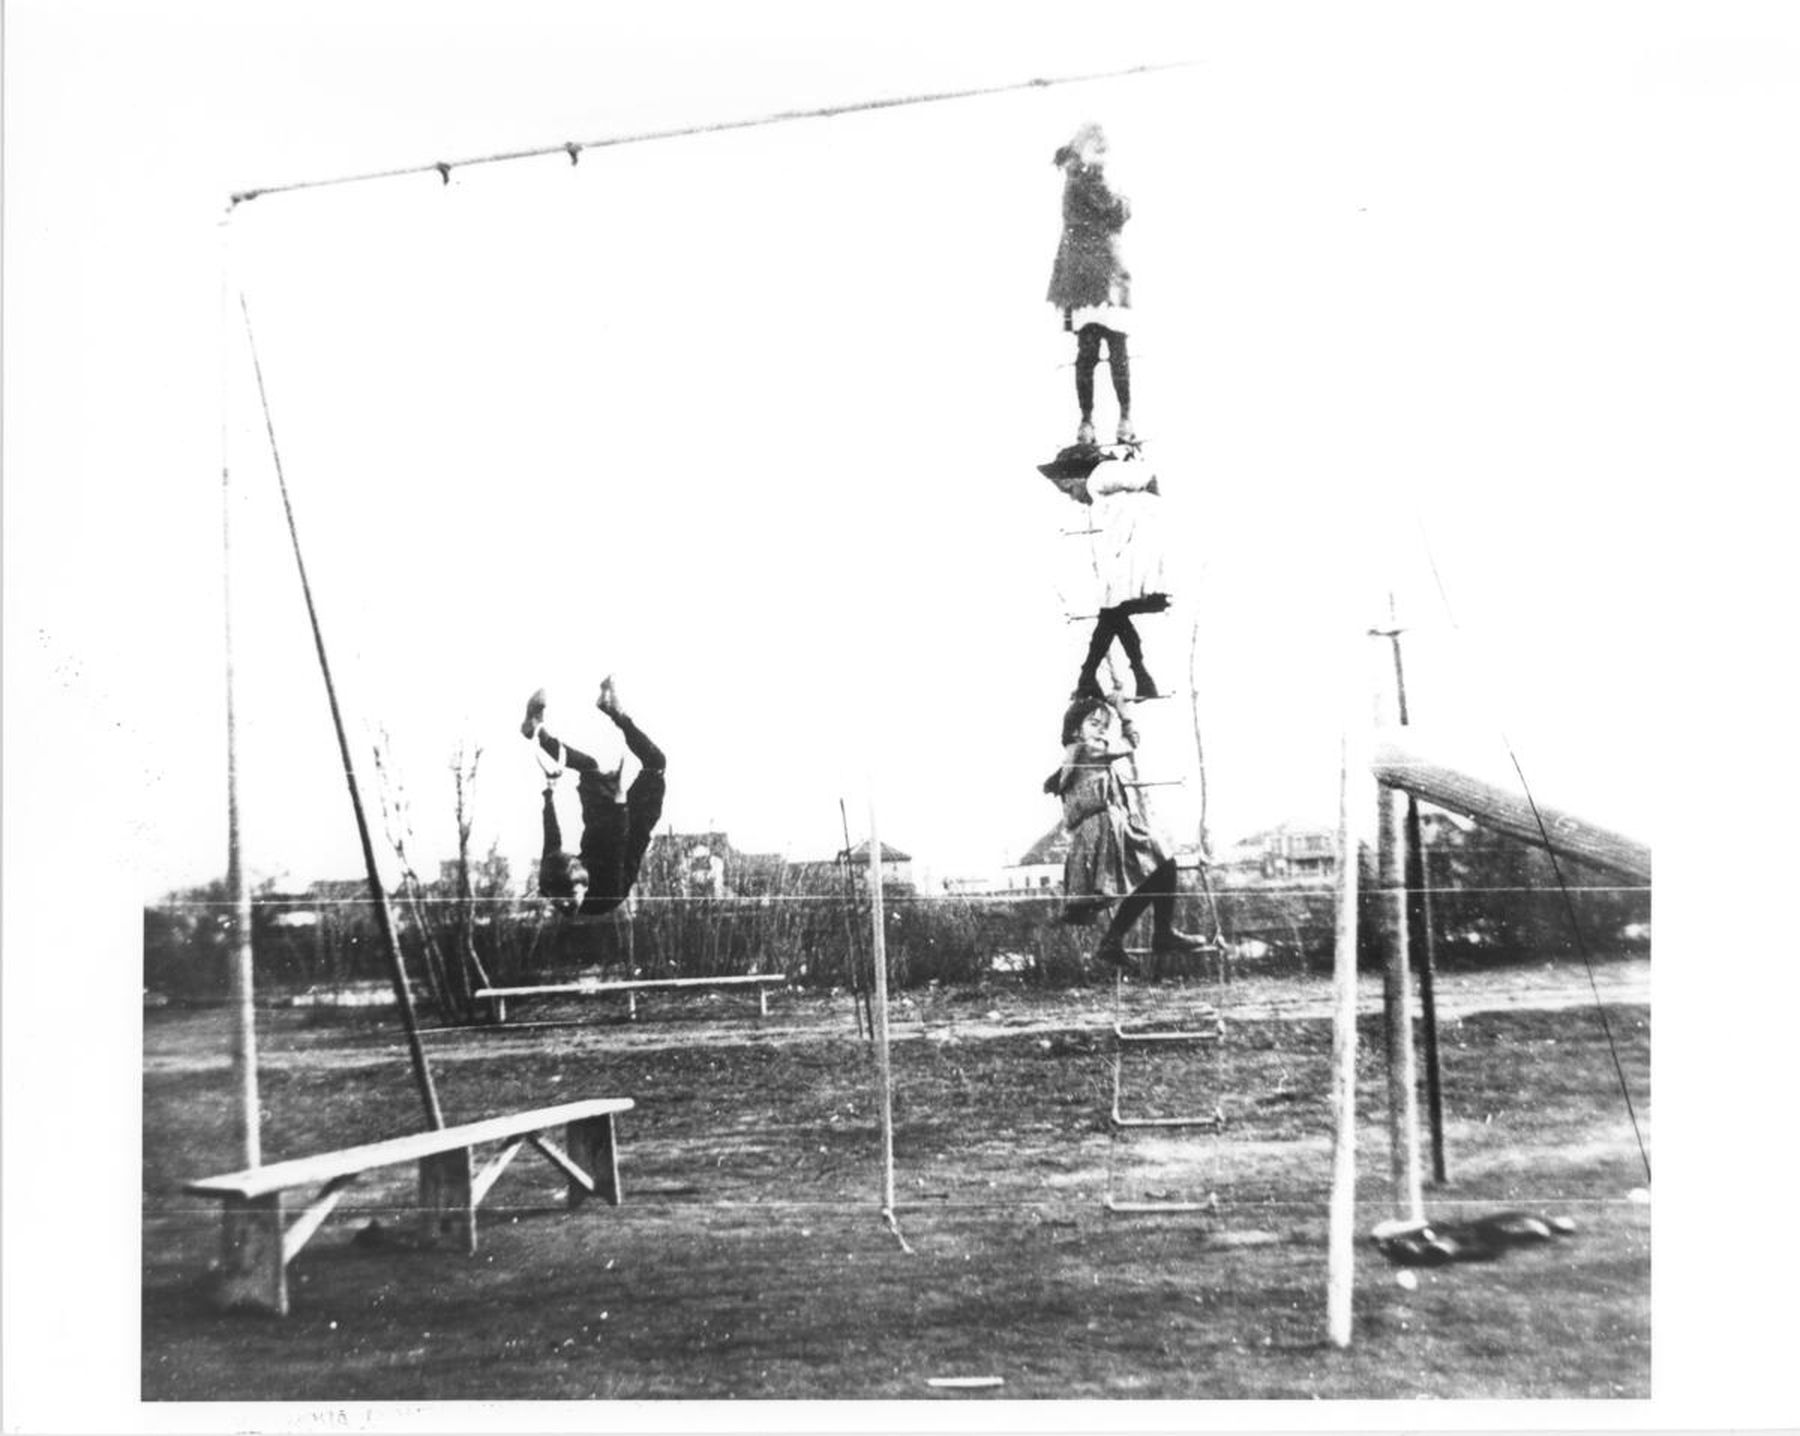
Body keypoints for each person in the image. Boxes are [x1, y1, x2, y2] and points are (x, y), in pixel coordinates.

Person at [1044, 694, 1207, 971]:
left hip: (1097, 830)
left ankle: (1118, 939)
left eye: (1103, 726)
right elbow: (1132, 743)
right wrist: (1123, 712)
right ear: (1075, 729)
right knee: (1164, 862)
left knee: (1155, 872)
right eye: (1094, 724)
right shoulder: (1088, 748)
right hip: (1106, 827)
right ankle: (1157, 934)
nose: (1101, 731)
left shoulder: (1074, 755)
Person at [521, 676, 666, 916]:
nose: (566, 904)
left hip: (598, 832)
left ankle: (537, 731)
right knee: (655, 764)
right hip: (628, 835)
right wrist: (620, 803)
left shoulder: (551, 879)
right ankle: (613, 710)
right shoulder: (606, 891)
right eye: (573, 897)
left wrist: (549, 792)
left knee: (589, 766)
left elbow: (552, 839)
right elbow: (619, 847)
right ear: (585, 887)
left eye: (562, 900)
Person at [1046, 121, 1135, 447]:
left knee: (1090, 350)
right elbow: (1116, 210)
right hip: (1100, 278)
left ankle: (1088, 422)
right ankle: (1121, 419)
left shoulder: (1075, 180)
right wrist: (1123, 201)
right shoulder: (1088, 181)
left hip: (1085, 278)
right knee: (1114, 348)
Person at [1056, 449, 1170, 699]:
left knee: (1111, 611)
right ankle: (1136, 676)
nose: (1074, 498)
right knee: (1112, 613)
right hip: (1131, 551)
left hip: (1138, 551)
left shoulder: (1100, 476)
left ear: (1076, 478)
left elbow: (1146, 475)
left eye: (1070, 490)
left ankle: (1089, 677)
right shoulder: (1102, 490)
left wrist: (1149, 511)